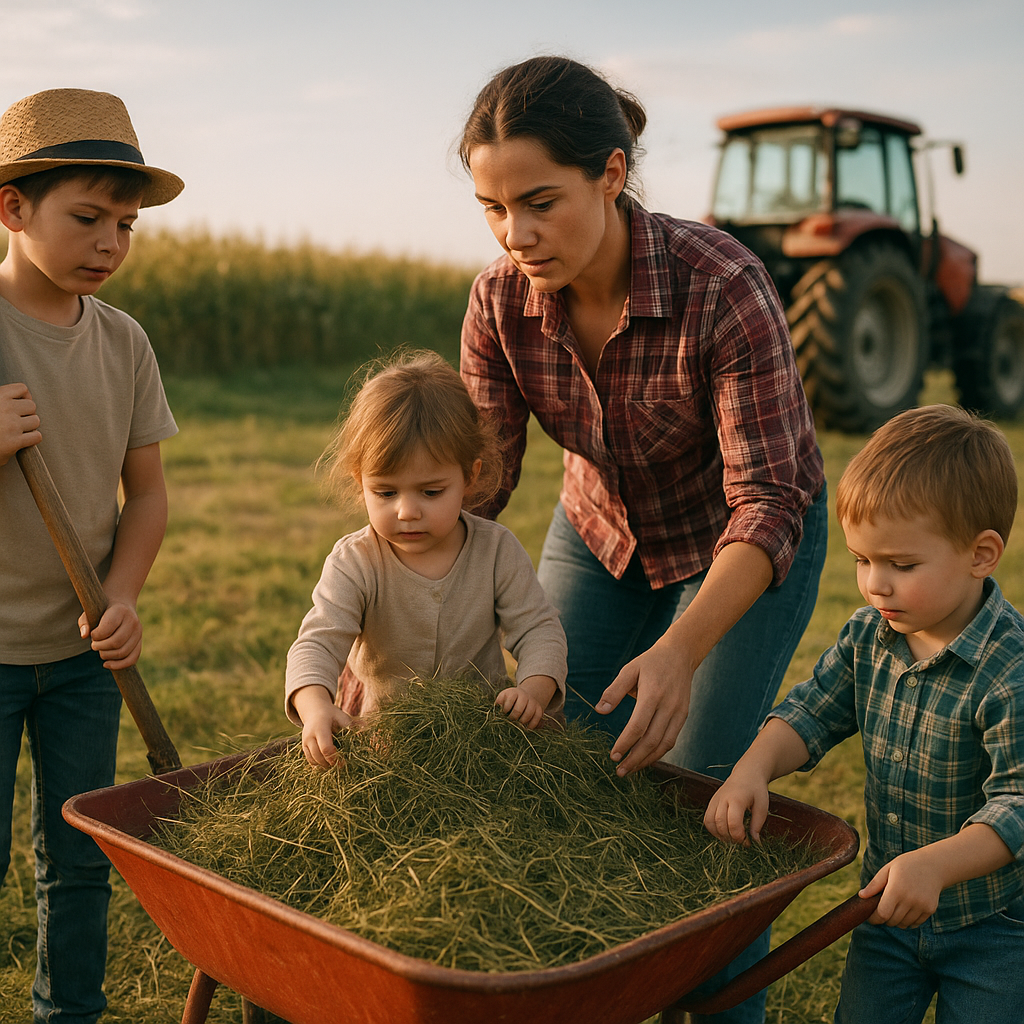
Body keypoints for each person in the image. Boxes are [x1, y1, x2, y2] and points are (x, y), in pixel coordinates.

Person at [457, 56, 827, 1023]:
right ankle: (598, 986)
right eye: (493, 207)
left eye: (540, 202)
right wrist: (385, 607)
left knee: (705, 799)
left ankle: (717, 1005)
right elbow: (478, 490)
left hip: (742, 544)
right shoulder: (499, 301)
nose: (517, 234)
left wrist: (680, 650)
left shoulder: (721, 282)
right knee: (555, 759)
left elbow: (770, 501)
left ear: (612, 175)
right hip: (599, 533)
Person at [705, 404, 1024, 1024]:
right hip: (885, 914)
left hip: (992, 927)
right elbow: (810, 712)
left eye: (902, 565)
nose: (875, 584)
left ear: (982, 554)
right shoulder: (868, 638)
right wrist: (753, 768)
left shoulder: (1010, 670)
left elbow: (1017, 803)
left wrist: (934, 867)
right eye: (862, 559)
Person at [0, 89, 182, 1023]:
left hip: (81, 658)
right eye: (87, 218)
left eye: (126, 223)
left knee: (80, 855)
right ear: (13, 207)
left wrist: (121, 595)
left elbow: (145, 494)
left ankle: (69, 1013)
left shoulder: (124, 343)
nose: (110, 242)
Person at [285, 349, 568, 768]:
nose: (407, 511)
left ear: (469, 476)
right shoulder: (355, 562)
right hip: (382, 746)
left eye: (431, 492)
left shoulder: (495, 551)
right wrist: (314, 706)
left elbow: (539, 629)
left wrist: (533, 690)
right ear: (358, 481)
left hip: (482, 743)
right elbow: (318, 643)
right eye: (385, 493)